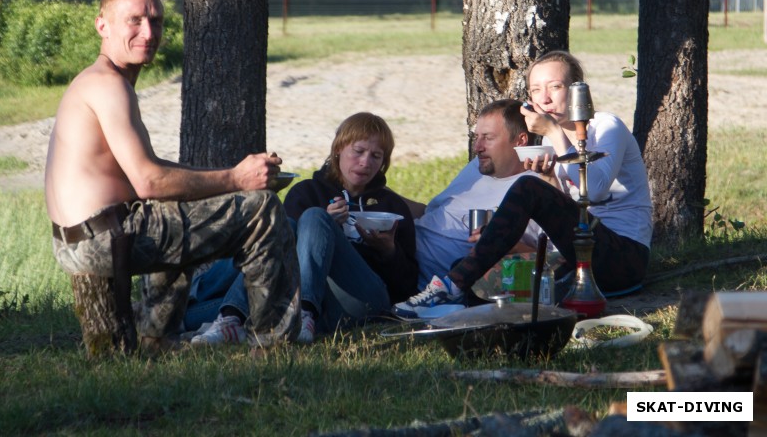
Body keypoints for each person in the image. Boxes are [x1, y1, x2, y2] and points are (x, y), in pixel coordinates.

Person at [45, 0, 300, 350]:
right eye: (134, 20)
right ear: (103, 25)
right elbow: (149, 182)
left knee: (177, 208)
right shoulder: (108, 85)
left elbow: (149, 175)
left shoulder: (100, 81)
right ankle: (274, 343)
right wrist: (236, 178)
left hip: (86, 235)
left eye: (157, 21)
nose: (148, 32)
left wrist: (237, 175)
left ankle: (156, 335)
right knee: (263, 211)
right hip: (102, 239)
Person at [393, 50, 652, 319]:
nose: (545, 98)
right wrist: (542, 188)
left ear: (576, 89)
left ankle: (450, 287)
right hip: (572, 256)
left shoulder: (606, 126)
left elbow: (595, 189)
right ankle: (455, 295)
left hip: (621, 258)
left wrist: (552, 131)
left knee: (528, 186)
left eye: (555, 87)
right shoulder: (552, 143)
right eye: (536, 90)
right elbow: (565, 211)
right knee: (474, 272)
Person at [189, 112, 418, 346]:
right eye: (358, 151)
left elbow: (408, 288)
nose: (365, 162)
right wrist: (326, 228)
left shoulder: (392, 208)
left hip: (364, 300)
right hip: (306, 299)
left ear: (383, 163)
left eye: (376, 156)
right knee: (287, 226)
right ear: (338, 149)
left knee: (314, 217)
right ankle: (229, 318)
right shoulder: (307, 192)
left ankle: (302, 315)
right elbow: (275, 262)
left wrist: (389, 251)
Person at [412, 99, 544, 291]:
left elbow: (548, 260)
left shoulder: (534, 188)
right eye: (477, 137)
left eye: (488, 138)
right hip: (401, 244)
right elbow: (429, 212)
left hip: (424, 278)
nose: (477, 147)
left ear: (520, 141)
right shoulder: (478, 167)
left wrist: (498, 243)